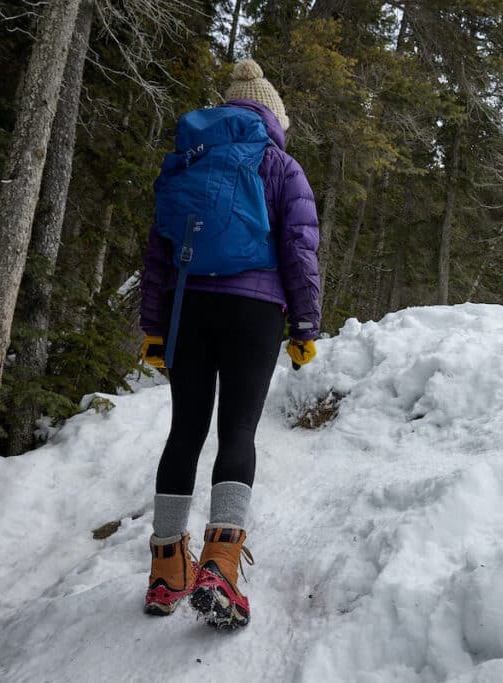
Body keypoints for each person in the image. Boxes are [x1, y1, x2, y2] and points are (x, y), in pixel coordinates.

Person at [138, 59, 320, 629]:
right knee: (237, 430)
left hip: (190, 307)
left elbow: (158, 255)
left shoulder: (189, 159)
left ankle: (167, 570)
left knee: (185, 431)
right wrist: (305, 327)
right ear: (273, 115)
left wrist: (154, 328)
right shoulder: (280, 165)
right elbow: (299, 248)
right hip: (256, 311)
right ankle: (220, 567)